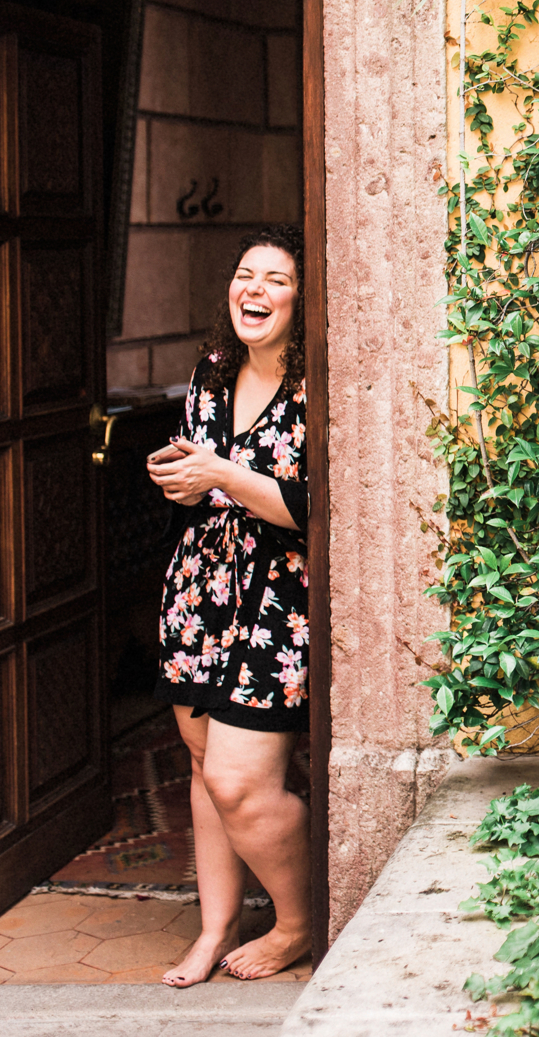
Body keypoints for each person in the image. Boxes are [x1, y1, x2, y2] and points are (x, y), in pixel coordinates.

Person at [147, 225, 311, 986]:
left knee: (242, 782)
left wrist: (221, 473)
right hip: (200, 591)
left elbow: (312, 507)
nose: (256, 289)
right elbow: (199, 481)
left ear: (302, 299)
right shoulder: (210, 373)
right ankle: (215, 928)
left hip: (279, 600)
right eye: (247, 275)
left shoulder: (320, 385)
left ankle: (299, 921)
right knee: (206, 764)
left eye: (276, 278)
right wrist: (182, 476)